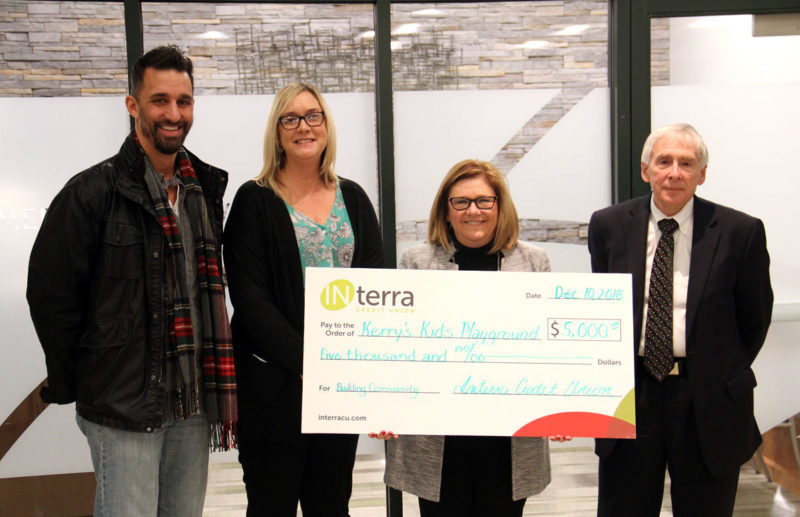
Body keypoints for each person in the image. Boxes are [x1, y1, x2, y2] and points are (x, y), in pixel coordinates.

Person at [26, 45, 237, 516]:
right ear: (133, 105)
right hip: (123, 407)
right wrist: (80, 381)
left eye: (184, 101)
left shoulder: (205, 189)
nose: (173, 113)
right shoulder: (91, 192)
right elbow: (51, 296)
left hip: (193, 403)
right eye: (159, 100)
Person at [588, 123, 773, 516]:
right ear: (645, 170)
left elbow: (754, 318)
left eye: (686, 163)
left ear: (701, 174)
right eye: (664, 161)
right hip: (631, 395)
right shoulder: (608, 226)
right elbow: (602, 309)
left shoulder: (741, 232)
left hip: (707, 399)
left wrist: (717, 369)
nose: (674, 172)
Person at [223, 82, 384, 516]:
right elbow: (250, 298)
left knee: (331, 506)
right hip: (274, 390)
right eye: (290, 119)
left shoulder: (353, 197)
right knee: (271, 505)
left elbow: (376, 288)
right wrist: (310, 362)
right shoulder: (253, 200)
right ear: (277, 133)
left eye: (313, 116)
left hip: (336, 393)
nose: (303, 126)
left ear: (327, 127)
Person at [376, 159, 556, 517]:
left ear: (500, 206)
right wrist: (382, 404)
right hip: (438, 441)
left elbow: (551, 349)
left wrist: (561, 410)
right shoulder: (416, 262)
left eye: (484, 201)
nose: (473, 210)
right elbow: (397, 347)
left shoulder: (535, 262)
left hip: (509, 440)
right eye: (461, 202)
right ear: (446, 210)